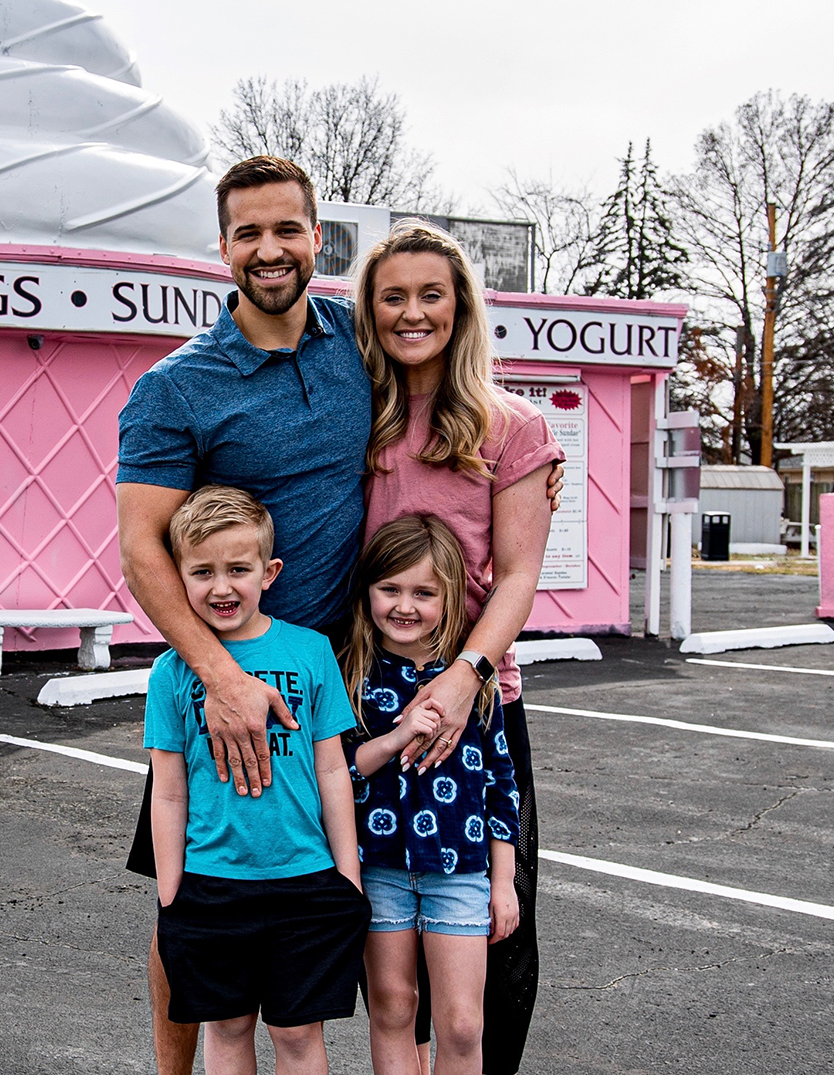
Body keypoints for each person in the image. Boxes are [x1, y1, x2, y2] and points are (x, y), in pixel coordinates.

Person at [118, 156, 561, 1074]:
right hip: (241, 685)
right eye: (249, 233)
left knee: (471, 946)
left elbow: (437, 347)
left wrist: (525, 451)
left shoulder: (352, 345)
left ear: (319, 239)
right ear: (224, 246)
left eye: (289, 230)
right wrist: (222, 676)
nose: (270, 249)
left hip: (382, 687)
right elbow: (143, 551)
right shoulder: (175, 388)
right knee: (197, 916)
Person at [353, 219, 560, 1074]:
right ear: (369, 309)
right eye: (392, 295)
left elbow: (516, 576)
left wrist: (468, 676)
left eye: (430, 293)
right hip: (367, 702)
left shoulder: (511, 427)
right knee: (392, 976)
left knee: (494, 952)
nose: (412, 312)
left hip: (480, 707)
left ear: (462, 304)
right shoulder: (356, 417)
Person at [146, 485, 370, 1075]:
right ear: (179, 577)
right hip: (212, 884)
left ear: (268, 572)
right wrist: (172, 890)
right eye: (203, 572)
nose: (222, 588)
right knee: (228, 1027)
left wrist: (347, 876)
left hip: (307, 880)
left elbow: (331, 770)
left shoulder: (313, 651)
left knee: (297, 1035)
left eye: (238, 569)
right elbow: (168, 789)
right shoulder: (172, 670)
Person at [339, 514, 521, 1075]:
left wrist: (504, 882)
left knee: (463, 1024)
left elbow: (500, 787)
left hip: (461, 874)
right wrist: (397, 735)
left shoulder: (471, 683)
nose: (404, 606)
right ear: (367, 590)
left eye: (424, 592)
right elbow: (342, 769)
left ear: (450, 597)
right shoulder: (353, 673)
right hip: (380, 870)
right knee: (394, 1008)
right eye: (389, 589)